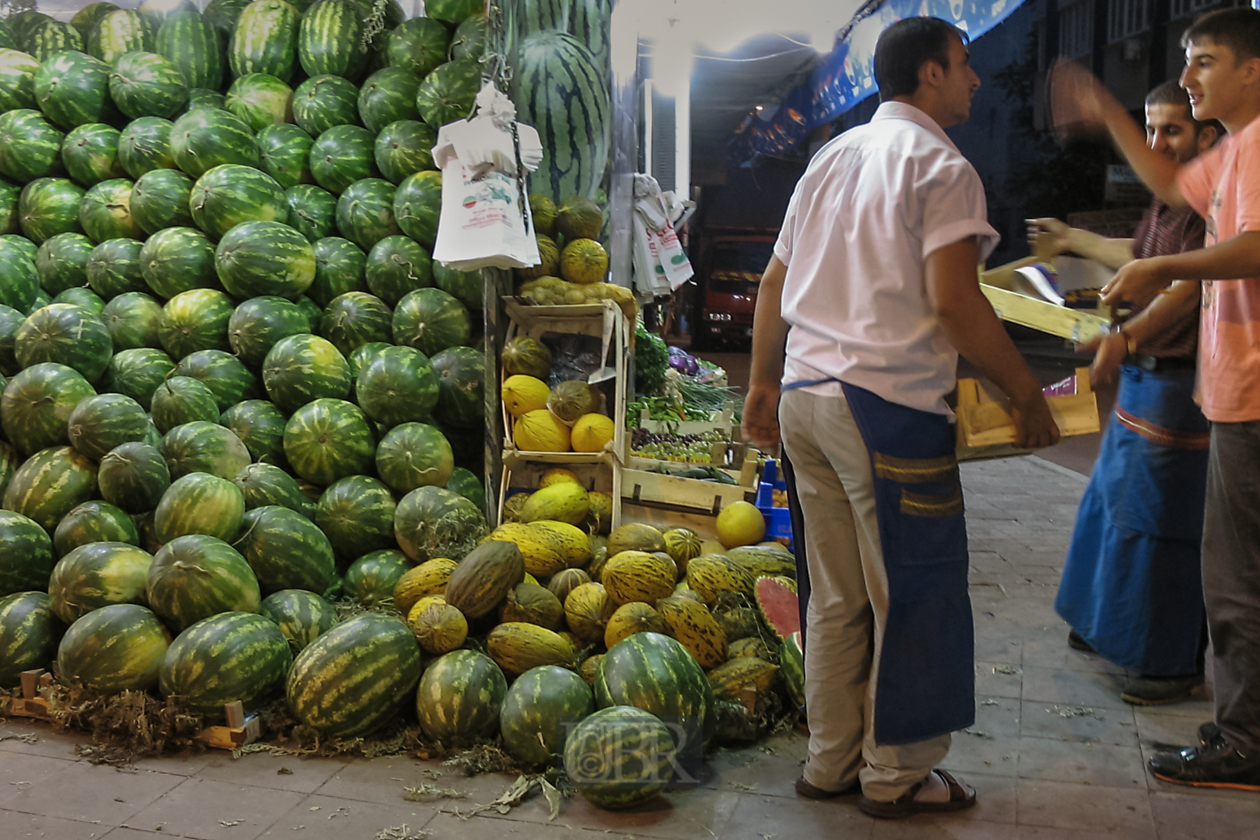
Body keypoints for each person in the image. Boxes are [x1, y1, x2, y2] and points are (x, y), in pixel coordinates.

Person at [742, 16, 1059, 819]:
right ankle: (897, 777)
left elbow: (775, 285)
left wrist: (761, 387)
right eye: (964, 66)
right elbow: (955, 302)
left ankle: (830, 763)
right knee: (912, 596)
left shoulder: (830, 158)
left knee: (836, 597)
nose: (976, 80)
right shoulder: (940, 166)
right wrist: (1026, 392)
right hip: (882, 407)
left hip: (808, 404)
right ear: (928, 74)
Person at [1048, 6, 1260, 789]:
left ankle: (1241, 740)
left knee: (1232, 576)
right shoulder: (1233, 150)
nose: (1192, 74)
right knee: (1216, 562)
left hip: (1244, 392)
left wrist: (1155, 280)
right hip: (1225, 387)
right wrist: (1104, 109)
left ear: (1252, 70)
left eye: (1204, 60)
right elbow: (1169, 185)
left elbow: (1251, 247)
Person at [1029, 81, 1218, 707]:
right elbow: (1136, 257)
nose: (1157, 143)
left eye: (1172, 131)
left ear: (1208, 138)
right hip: (1143, 377)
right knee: (1111, 502)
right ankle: (1104, 624)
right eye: (1150, 129)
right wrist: (1069, 239)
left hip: (1175, 380)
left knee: (1159, 524)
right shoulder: (1168, 206)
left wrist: (1127, 339)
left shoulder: (1215, 202)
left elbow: (1182, 291)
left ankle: (1167, 663)